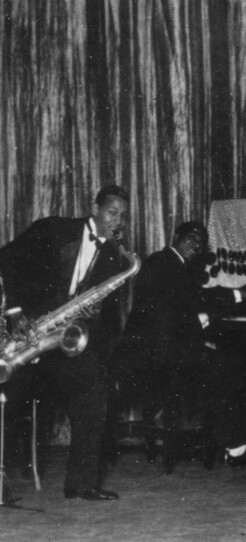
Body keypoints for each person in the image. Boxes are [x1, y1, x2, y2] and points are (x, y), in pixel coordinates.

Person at [0, 185, 133, 501]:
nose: (118, 222)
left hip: (62, 343)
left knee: (93, 386)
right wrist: (15, 311)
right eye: (112, 213)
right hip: (27, 335)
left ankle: (81, 483)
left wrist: (92, 316)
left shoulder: (115, 257)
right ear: (95, 209)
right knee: (7, 393)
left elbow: (106, 322)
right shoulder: (53, 229)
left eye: (123, 216)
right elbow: (5, 257)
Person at [119, 221, 246, 465]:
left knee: (225, 364)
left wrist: (231, 298)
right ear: (176, 237)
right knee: (224, 368)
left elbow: (190, 301)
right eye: (192, 237)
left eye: (201, 242)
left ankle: (235, 439)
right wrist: (233, 297)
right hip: (155, 354)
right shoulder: (162, 262)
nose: (197, 245)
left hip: (165, 348)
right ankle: (234, 442)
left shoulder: (176, 265)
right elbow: (181, 308)